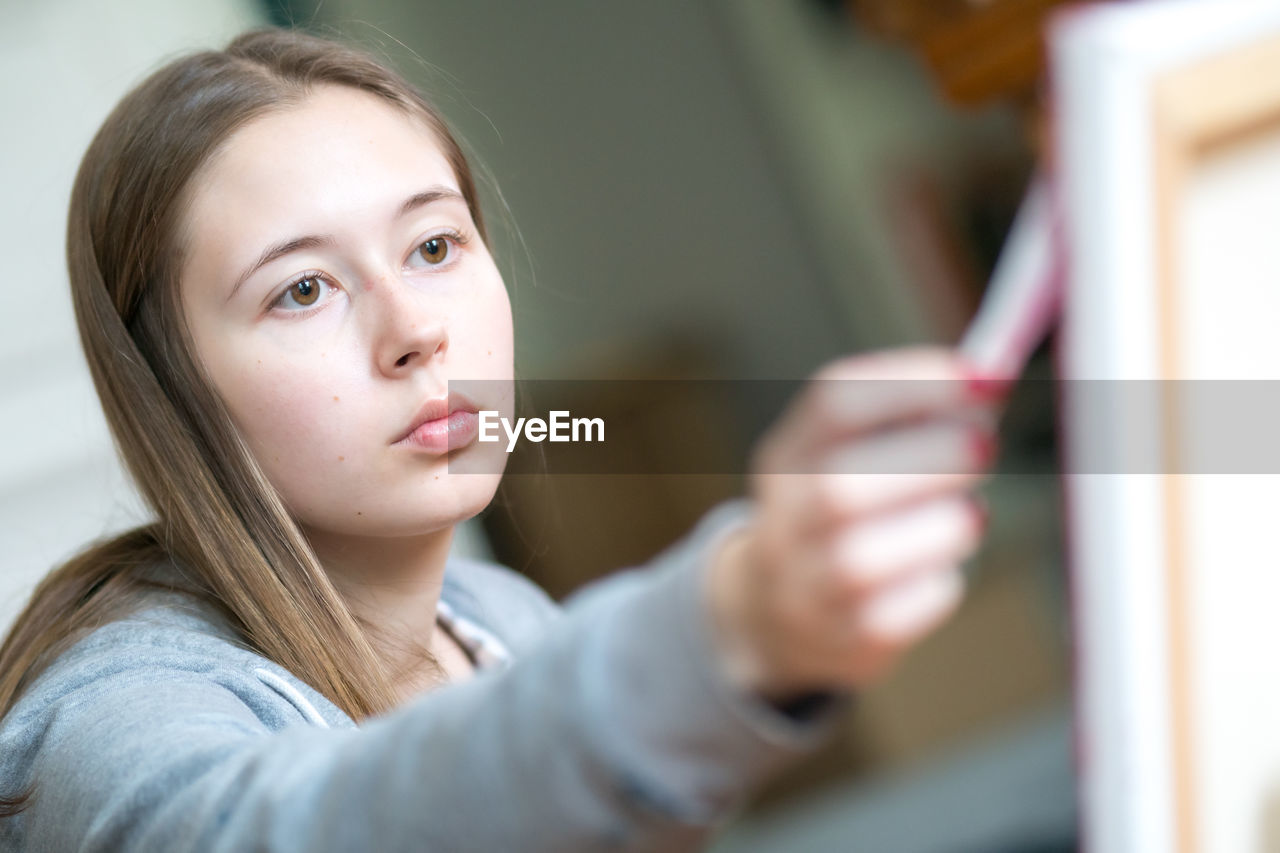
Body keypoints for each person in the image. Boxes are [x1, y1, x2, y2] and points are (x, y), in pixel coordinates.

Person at [0, 27, 1005, 852]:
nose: (413, 332)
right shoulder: (107, 716)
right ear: (167, 389)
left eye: (434, 246)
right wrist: (719, 627)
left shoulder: (497, 619)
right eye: (301, 289)